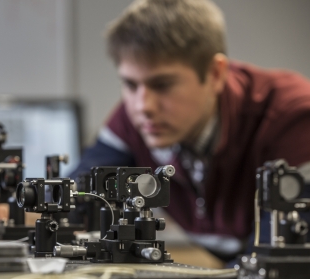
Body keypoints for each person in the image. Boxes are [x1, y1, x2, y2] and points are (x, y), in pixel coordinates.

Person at [70, 0, 310, 263]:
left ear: (216, 74)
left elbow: (281, 256)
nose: (142, 106)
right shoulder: (135, 119)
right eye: (130, 84)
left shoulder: (293, 118)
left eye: (162, 85)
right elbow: (73, 201)